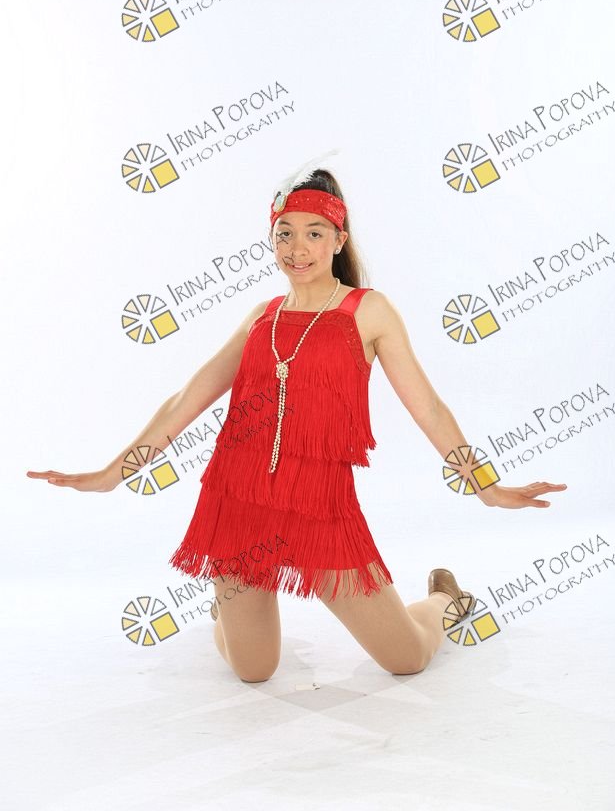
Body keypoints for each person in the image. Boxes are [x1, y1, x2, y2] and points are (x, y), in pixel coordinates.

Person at [26, 155, 567, 684]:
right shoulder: (262, 318)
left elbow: (428, 407)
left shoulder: (369, 311)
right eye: (284, 234)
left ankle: (444, 599)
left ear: (339, 239)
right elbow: (187, 397)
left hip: (320, 507)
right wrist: (114, 472)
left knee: (405, 659)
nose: (297, 248)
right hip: (239, 500)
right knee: (254, 671)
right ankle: (228, 610)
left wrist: (485, 487)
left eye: (313, 233)